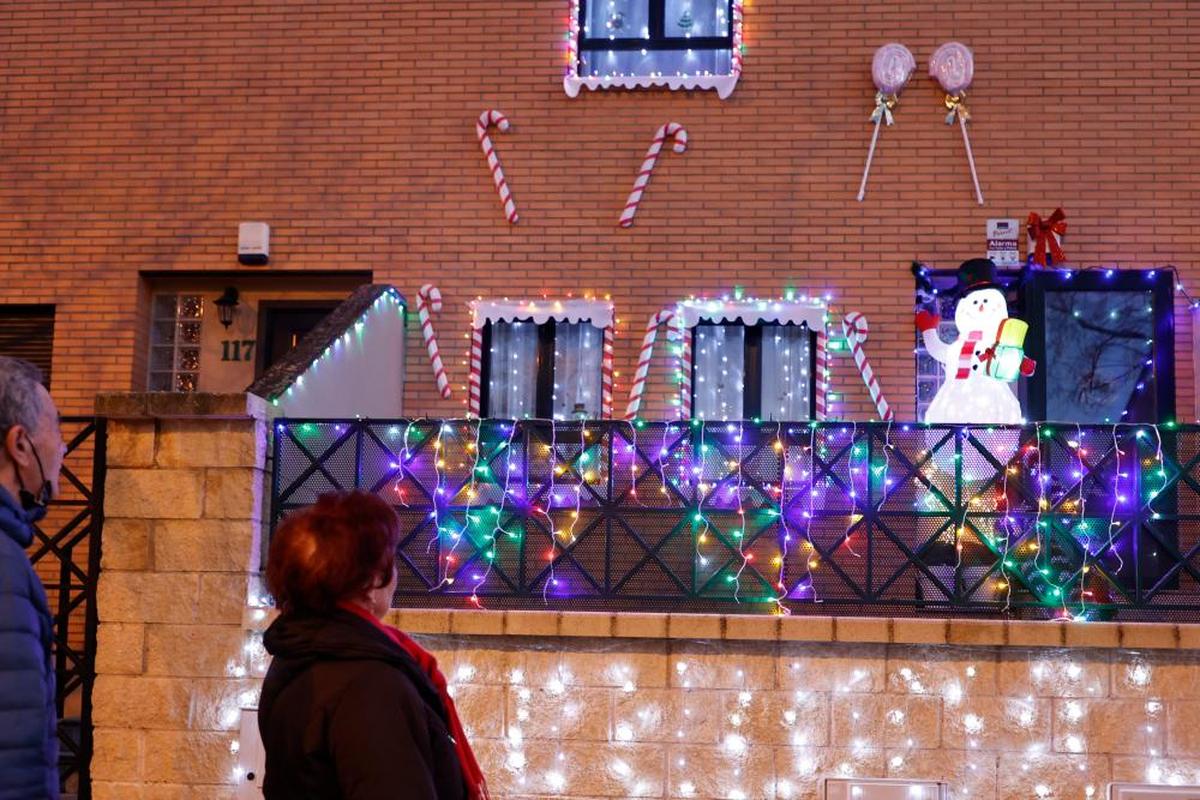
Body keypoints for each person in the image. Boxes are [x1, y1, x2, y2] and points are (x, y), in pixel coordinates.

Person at [259, 490, 489, 800]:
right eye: (390, 564)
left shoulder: (297, 651)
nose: (395, 577)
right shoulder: (369, 683)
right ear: (370, 582)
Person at [0, 357, 65, 800]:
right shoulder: (4, 567)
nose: (62, 448)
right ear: (21, 445)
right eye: (57, 429)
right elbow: (13, 745)